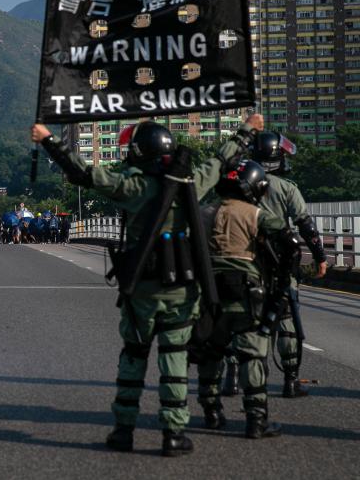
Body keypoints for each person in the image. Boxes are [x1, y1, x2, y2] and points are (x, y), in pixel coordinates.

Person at [32, 115, 260, 457]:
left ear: (138, 151)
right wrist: (247, 130)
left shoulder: (131, 185)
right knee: (175, 360)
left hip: (141, 288)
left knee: (133, 357)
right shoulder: (192, 181)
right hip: (182, 289)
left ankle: (124, 429)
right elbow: (221, 159)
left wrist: (49, 139)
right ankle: (173, 433)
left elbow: (82, 172)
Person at [195, 160, 300, 439]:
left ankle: (211, 413)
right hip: (246, 294)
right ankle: (256, 420)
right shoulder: (256, 215)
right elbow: (290, 245)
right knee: (251, 355)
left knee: (210, 353)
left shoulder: (203, 213)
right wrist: (280, 280)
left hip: (209, 294)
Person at [223, 131, 326, 399]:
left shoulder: (240, 183)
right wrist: (320, 256)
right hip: (279, 263)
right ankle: (291, 381)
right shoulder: (287, 188)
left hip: (243, 261)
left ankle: (232, 378)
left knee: (240, 319)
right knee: (286, 318)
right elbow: (305, 224)